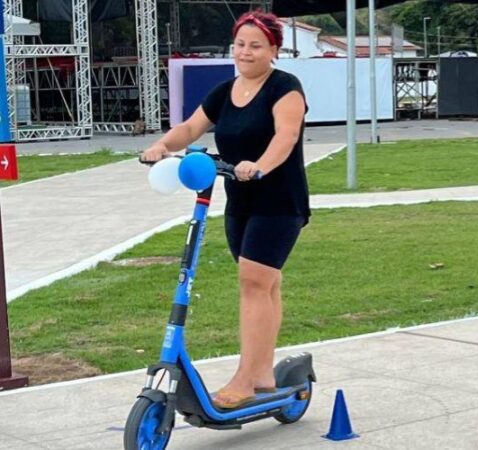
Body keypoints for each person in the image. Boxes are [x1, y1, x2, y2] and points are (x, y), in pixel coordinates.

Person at [141, 10, 310, 410]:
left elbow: (286, 136)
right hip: (241, 200)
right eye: (240, 45)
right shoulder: (224, 91)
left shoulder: (286, 88)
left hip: (278, 200)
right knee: (265, 285)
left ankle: (245, 379)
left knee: (253, 282)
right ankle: (264, 372)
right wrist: (164, 145)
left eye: (255, 45)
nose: (245, 53)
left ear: (273, 49)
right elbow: (190, 128)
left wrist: (260, 165)